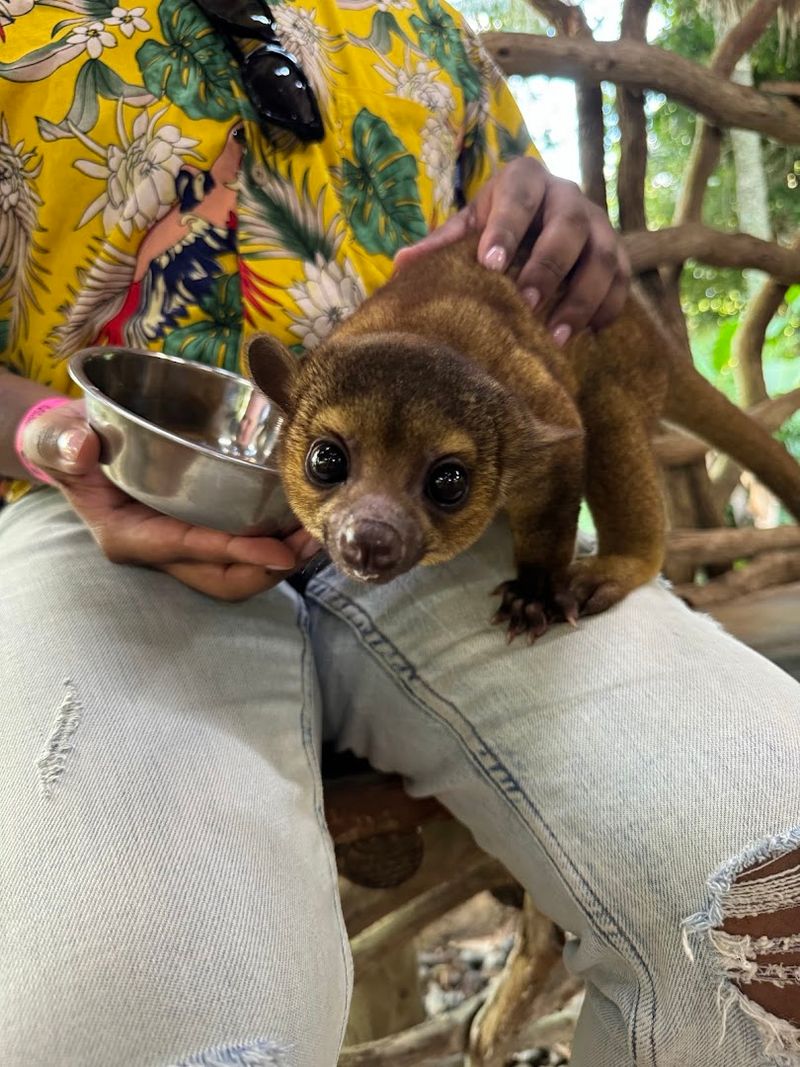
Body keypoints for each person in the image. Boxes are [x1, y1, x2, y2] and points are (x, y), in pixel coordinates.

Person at [0, 2, 798, 1065]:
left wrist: (553, 229)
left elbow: (521, 285)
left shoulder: (419, 21)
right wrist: (41, 430)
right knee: (138, 1007)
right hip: (105, 501)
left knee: (768, 904)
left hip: (457, 529)